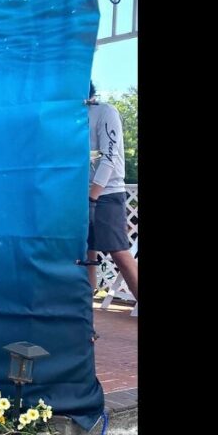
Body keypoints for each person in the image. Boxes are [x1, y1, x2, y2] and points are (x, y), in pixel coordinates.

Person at [86, 82, 138, 305]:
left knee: (119, 252)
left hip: (107, 193)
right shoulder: (70, 118)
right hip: (78, 194)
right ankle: (86, 312)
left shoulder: (105, 111)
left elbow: (110, 157)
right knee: (86, 251)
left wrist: (93, 196)